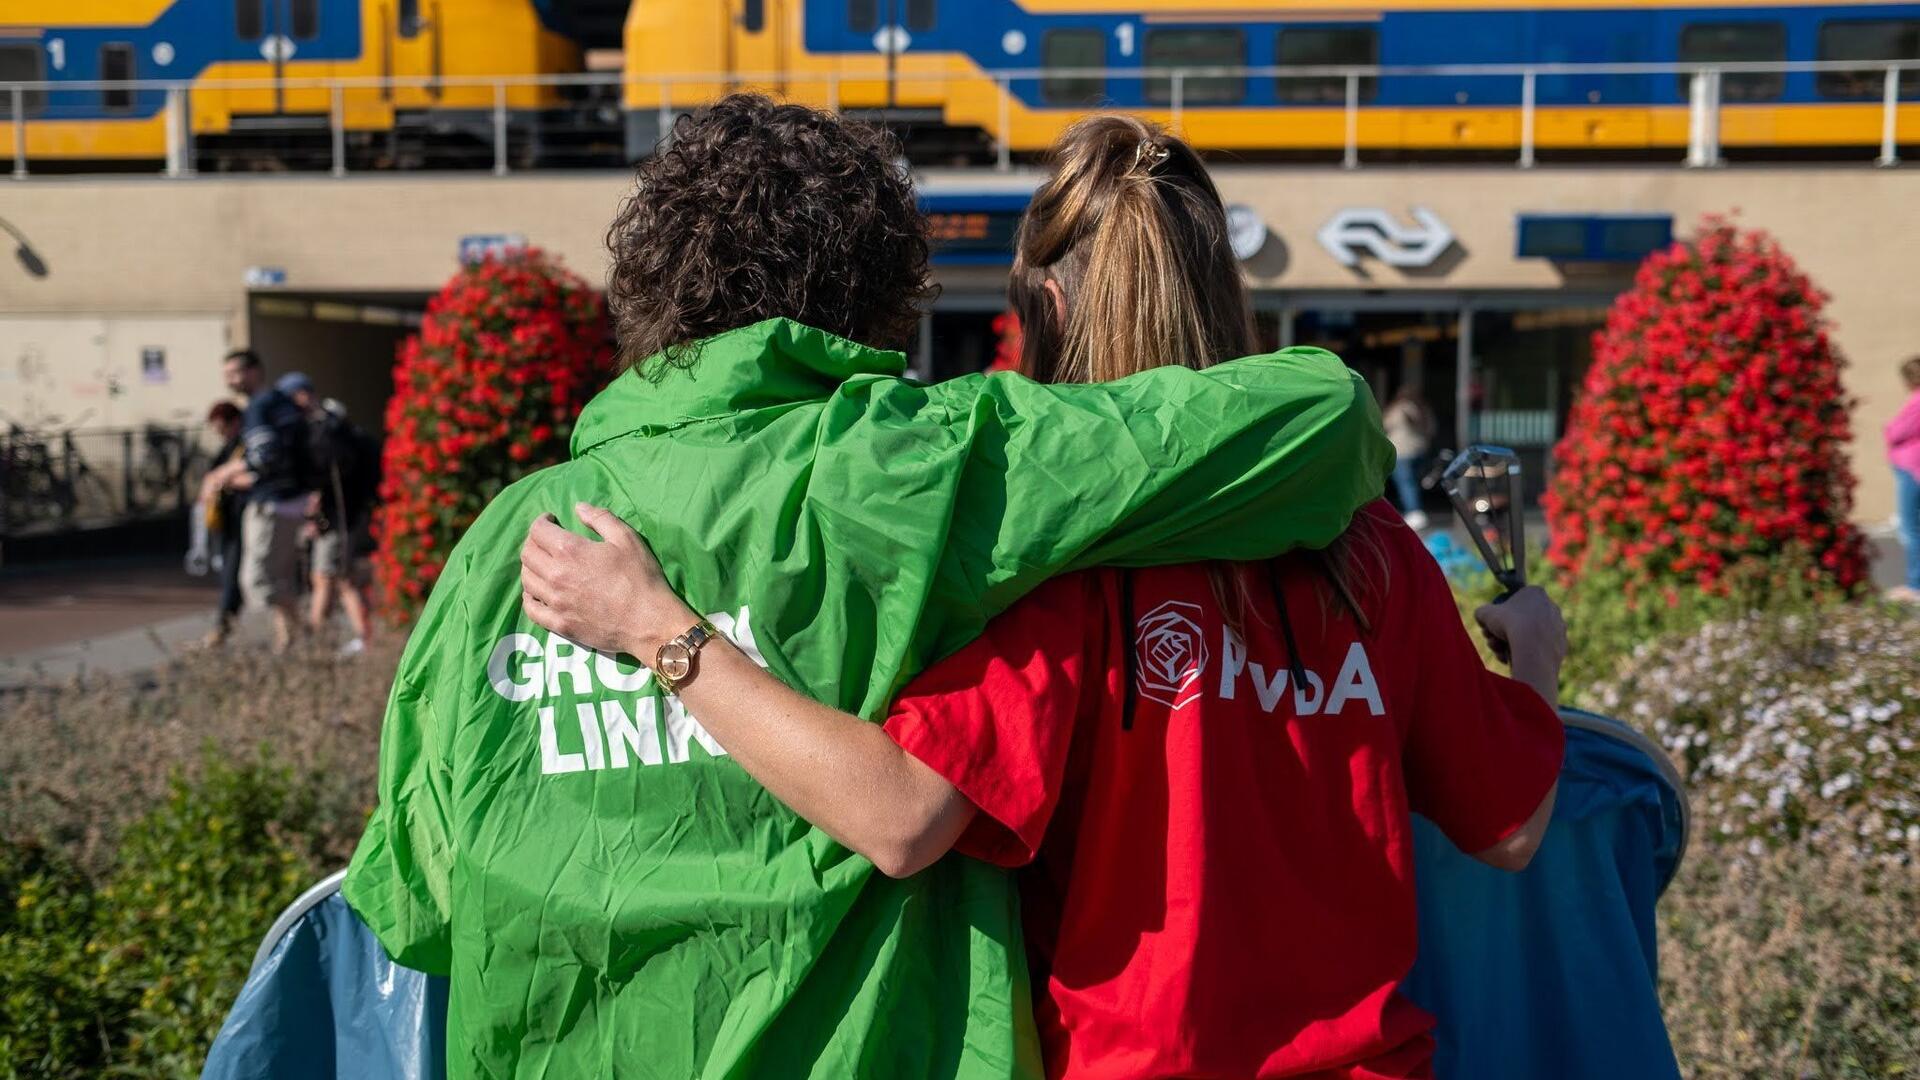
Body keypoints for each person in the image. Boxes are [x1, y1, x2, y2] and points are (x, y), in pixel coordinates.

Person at [345, 94, 1394, 1078]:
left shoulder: (507, 544)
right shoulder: (920, 464)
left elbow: (419, 901)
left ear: (653, 287)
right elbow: (1325, 416)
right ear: (884, 290)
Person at [279, 373, 380, 655]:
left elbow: (330, 473)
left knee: (327, 577)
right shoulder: (332, 425)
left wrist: (316, 502)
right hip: (340, 515)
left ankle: (318, 639)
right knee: (339, 577)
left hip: (340, 517)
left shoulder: (326, 428)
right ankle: (361, 637)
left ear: (303, 394)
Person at [219, 349, 313, 652]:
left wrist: (226, 475)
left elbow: (264, 458)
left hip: (270, 504)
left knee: (257, 582)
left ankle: (301, 627)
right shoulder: (281, 403)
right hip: (293, 500)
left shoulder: (259, 407)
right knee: (280, 578)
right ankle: (287, 639)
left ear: (253, 371)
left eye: (234, 373)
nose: (229, 381)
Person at [195, 400, 247, 647]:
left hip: (239, 520)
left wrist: (220, 480)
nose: (218, 433)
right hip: (227, 522)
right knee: (230, 575)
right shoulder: (229, 447)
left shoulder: (244, 446)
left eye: (220, 427)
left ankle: (221, 630)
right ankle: (222, 628)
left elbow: (252, 476)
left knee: (233, 576)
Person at [1888, 354, 1920, 602]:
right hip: (1909, 469)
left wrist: (1888, 428)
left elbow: (1896, 431)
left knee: (1911, 528)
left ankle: (1916, 584)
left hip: (1912, 470)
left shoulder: (1917, 403)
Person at [1382, 383, 1436, 529]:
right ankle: (1415, 511)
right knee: (1413, 483)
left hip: (1401, 450)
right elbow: (1431, 429)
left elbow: (1385, 425)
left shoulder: (1398, 409)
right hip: (1419, 449)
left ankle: (1414, 512)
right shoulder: (1423, 409)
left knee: (1405, 483)